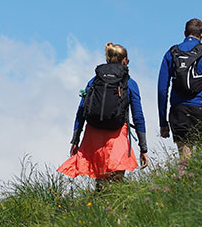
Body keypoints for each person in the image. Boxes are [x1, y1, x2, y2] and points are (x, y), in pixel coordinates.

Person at [58, 42, 148, 190]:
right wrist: (143, 148)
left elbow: (81, 111)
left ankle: (99, 201)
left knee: (101, 183)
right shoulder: (130, 83)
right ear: (124, 60)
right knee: (116, 185)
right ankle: (110, 204)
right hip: (117, 135)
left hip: (94, 136)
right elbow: (138, 116)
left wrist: (75, 139)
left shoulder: (94, 81)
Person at [158, 18, 202, 162]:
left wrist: (163, 122)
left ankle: (184, 176)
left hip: (179, 110)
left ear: (185, 33)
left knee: (185, 158)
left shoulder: (171, 53)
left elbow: (162, 90)